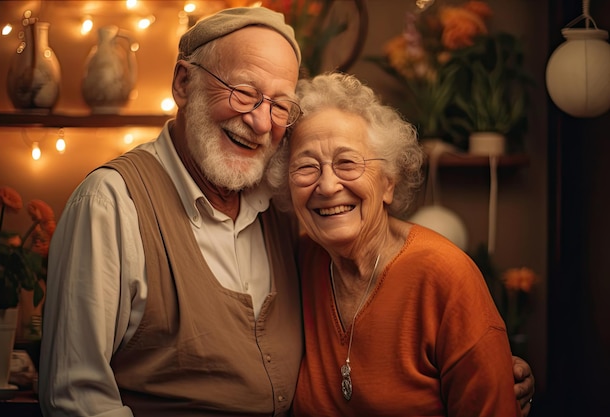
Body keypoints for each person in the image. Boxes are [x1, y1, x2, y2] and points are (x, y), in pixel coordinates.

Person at [39, 6, 534, 417]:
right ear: (184, 83)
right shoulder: (111, 203)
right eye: (244, 92)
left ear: (389, 179)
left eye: (279, 105)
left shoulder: (278, 218)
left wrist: (479, 364)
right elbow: (76, 400)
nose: (258, 121)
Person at [266, 72, 527, 416]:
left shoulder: (444, 276)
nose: (327, 186)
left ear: (388, 182)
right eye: (306, 167)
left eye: (347, 162)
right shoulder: (297, 263)